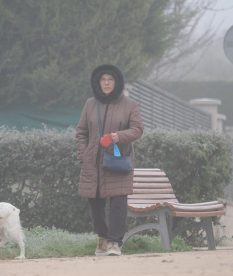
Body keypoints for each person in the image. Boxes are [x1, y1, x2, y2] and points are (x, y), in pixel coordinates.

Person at [76, 64, 144, 256]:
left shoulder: (129, 104)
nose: (106, 83)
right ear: (98, 83)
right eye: (103, 80)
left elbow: (138, 129)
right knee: (95, 203)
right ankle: (102, 238)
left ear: (117, 82)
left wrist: (119, 136)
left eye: (110, 79)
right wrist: (83, 153)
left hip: (118, 160)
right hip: (93, 163)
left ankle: (115, 243)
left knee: (118, 203)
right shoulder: (90, 104)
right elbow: (81, 132)